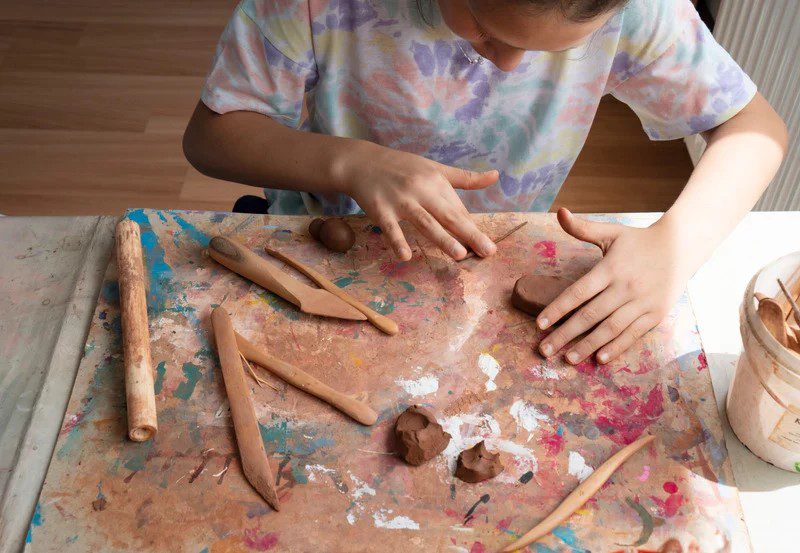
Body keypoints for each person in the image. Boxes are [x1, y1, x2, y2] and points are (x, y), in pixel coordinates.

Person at [183, 0, 788, 364]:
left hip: (490, 260)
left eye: (555, 51)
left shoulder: (637, 10)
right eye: (485, 30)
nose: (505, 65)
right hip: (321, 245)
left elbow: (754, 130)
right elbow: (210, 137)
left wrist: (674, 246)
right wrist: (351, 163)